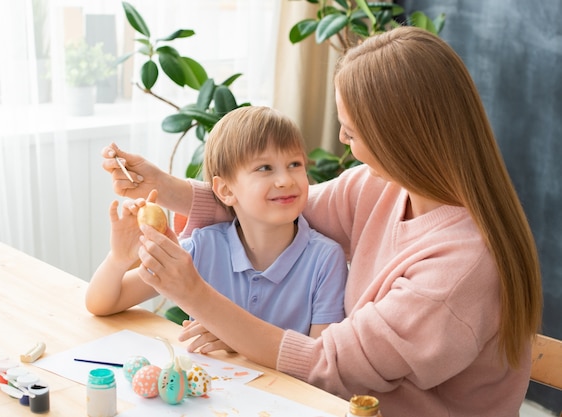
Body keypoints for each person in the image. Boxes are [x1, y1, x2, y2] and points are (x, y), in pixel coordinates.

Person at [101, 27, 543, 416]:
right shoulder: (383, 186)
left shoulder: (458, 268)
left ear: (399, 138)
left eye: (351, 132)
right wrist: (162, 184)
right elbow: (277, 209)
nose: (342, 143)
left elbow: (328, 367)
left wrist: (194, 293)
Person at [87, 106, 348, 345]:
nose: (285, 180)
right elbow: (101, 303)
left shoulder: (325, 260)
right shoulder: (203, 248)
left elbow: (319, 363)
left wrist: (236, 340)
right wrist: (119, 259)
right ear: (225, 190)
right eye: (265, 168)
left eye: (295, 164)